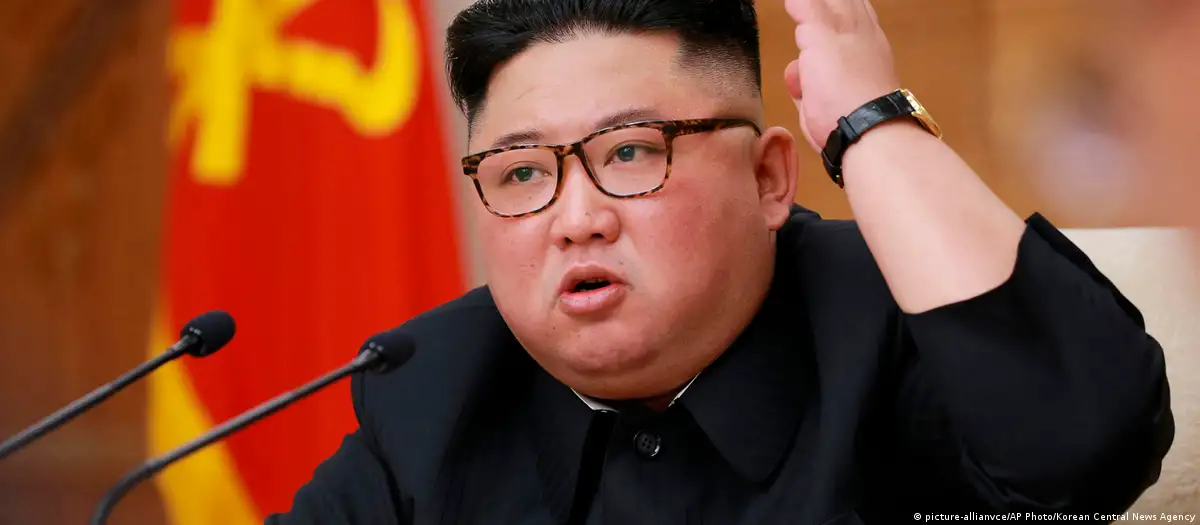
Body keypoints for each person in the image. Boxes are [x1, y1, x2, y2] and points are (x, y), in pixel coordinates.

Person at [268, 0, 1174, 523]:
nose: (575, 220)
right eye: (522, 173)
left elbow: (1085, 449)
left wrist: (868, 119)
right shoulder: (429, 386)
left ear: (770, 177)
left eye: (630, 151)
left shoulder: (902, 325)